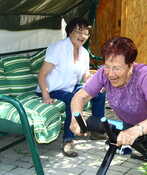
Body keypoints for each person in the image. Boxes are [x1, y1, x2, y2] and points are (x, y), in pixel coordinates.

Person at [36, 17, 106, 157]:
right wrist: (46, 95)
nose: (82, 36)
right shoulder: (58, 48)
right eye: (79, 31)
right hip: (53, 89)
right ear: (70, 32)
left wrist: (96, 84)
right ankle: (68, 140)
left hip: (70, 88)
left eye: (86, 33)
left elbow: (85, 76)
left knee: (99, 94)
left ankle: (96, 131)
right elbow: (42, 74)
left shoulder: (84, 53)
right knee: (74, 99)